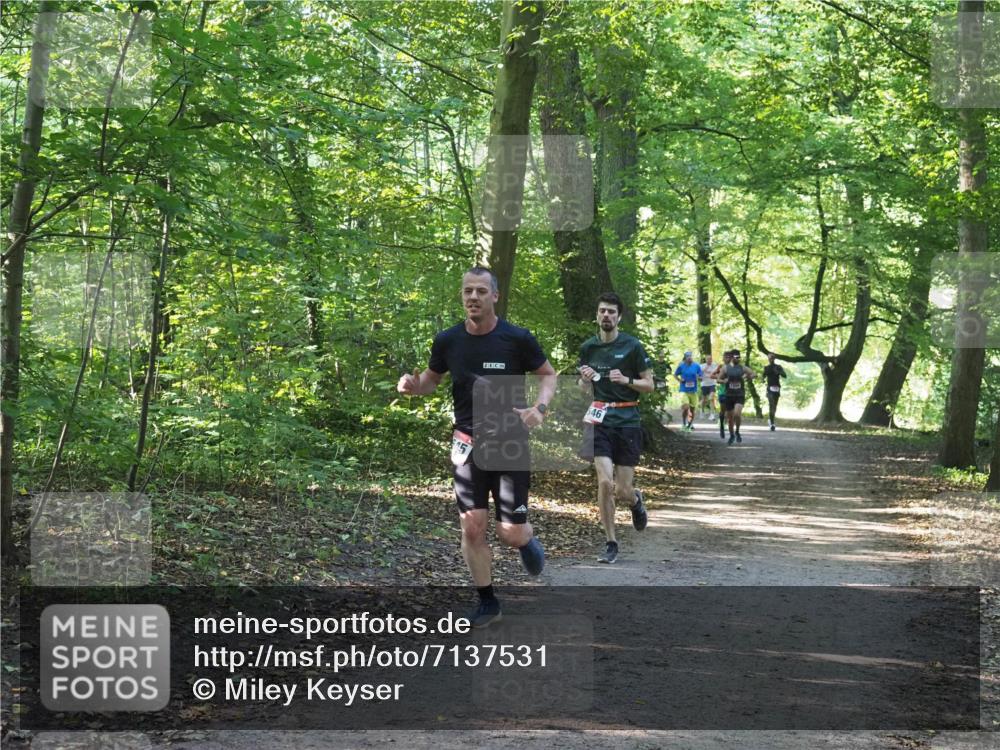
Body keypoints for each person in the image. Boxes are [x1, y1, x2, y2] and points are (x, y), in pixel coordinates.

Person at [397, 267, 557, 627]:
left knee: (509, 532)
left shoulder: (517, 338)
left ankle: (525, 540)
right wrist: (412, 385)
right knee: (472, 526)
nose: (473, 297)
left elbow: (548, 374)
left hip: (510, 444)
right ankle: (488, 602)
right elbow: (431, 380)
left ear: (495, 296)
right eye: (468, 290)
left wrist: (540, 408)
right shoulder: (448, 340)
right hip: (467, 444)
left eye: (481, 291)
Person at [577, 293, 655, 564]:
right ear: (597, 316)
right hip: (600, 420)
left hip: (627, 421)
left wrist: (626, 379)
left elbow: (649, 385)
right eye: (602, 311)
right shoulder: (588, 347)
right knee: (604, 482)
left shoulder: (632, 346)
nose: (606, 316)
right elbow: (584, 387)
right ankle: (610, 542)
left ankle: (635, 501)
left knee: (622, 490)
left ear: (619, 317)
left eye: (611, 312)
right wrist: (584, 381)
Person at [721, 350, 755, 445]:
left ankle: (737, 431)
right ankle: (732, 435)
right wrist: (724, 381)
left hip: (739, 395)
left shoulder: (742, 368)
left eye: (739, 357)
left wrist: (747, 376)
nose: (738, 359)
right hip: (729, 395)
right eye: (736, 357)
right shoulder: (725, 368)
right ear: (731, 357)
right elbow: (719, 379)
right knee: (730, 418)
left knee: (737, 414)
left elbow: (753, 374)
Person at [673, 351, 702, 430]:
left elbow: (701, 377)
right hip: (684, 390)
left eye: (691, 356)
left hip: (693, 391)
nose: (690, 358)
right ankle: (683, 423)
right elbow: (675, 375)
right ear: (685, 358)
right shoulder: (681, 366)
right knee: (686, 407)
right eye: (688, 356)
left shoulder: (696, 366)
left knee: (692, 410)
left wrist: (698, 377)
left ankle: (689, 425)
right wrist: (680, 380)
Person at [762, 353, 788, 431]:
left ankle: (771, 420)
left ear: (774, 358)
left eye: (772, 358)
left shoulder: (778, 367)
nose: (771, 359)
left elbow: (785, 375)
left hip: (777, 388)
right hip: (770, 388)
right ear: (768, 359)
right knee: (772, 405)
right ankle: (772, 424)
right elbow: (763, 376)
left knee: (774, 406)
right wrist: (762, 379)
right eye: (770, 358)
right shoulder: (766, 368)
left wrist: (779, 372)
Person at [716, 350, 732, 439]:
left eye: (729, 357)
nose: (728, 359)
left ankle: (731, 431)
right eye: (726, 357)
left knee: (731, 413)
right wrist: (724, 381)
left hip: (733, 393)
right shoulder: (721, 367)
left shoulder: (735, 367)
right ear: (723, 358)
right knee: (723, 411)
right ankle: (722, 426)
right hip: (723, 392)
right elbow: (717, 379)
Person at [700, 354, 721, 418]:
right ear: (705, 360)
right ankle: (702, 411)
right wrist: (705, 369)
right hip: (704, 384)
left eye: (710, 359)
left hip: (712, 384)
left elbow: (719, 372)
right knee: (704, 399)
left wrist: (719, 368)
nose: (709, 360)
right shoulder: (701, 366)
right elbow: (698, 374)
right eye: (708, 359)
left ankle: (712, 414)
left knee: (711, 398)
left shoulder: (715, 365)